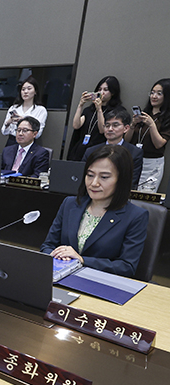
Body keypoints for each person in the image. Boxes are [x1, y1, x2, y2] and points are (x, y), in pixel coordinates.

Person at [41, 144, 148, 277]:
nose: (94, 183)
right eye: (90, 175)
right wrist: (57, 256)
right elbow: (47, 246)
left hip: (101, 284)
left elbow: (127, 267)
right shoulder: (70, 204)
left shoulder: (136, 216)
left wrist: (82, 260)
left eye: (104, 177)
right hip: (61, 277)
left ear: (121, 180)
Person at [125, 79, 170, 192]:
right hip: (133, 159)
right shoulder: (143, 113)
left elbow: (159, 144)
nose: (154, 96)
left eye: (159, 93)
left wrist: (151, 124)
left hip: (152, 163)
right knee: (126, 193)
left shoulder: (167, 118)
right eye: (152, 92)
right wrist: (132, 124)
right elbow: (126, 140)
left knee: (144, 197)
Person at [82, 107, 143, 187]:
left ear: (126, 128)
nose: (110, 129)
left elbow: (132, 182)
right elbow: (82, 178)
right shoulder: (91, 151)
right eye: (107, 126)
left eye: (115, 125)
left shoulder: (134, 153)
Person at [67, 76, 121, 161]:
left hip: (98, 149)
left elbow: (102, 130)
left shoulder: (115, 111)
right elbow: (76, 125)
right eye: (99, 89)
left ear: (113, 92)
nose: (101, 92)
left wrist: (99, 109)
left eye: (105, 90)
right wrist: (80, 105)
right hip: (81, 148)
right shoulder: (89, 110)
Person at [0, 76, 47, 146]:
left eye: (29, 89)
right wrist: (8, 122)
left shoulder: (40, 110)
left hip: (29, 143)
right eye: (23, 89)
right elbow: (4, 132)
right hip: (12, 141)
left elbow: (38, 134)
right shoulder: (14, 108)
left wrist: (23, 120)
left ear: (35, 92)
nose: (25, 92)